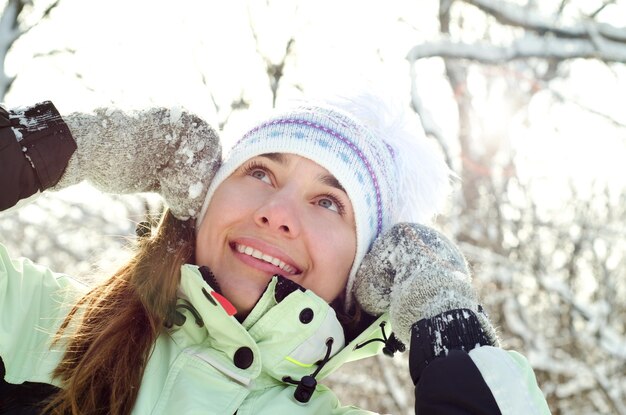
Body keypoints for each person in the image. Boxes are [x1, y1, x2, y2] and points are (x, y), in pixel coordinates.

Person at [0, 97, 551, 414]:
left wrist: (444, 319)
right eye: (259, 172)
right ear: (201, 195)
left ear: (362, 277)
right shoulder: (35, 322)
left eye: (329, 202)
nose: (278, 212)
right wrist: (65, 145)